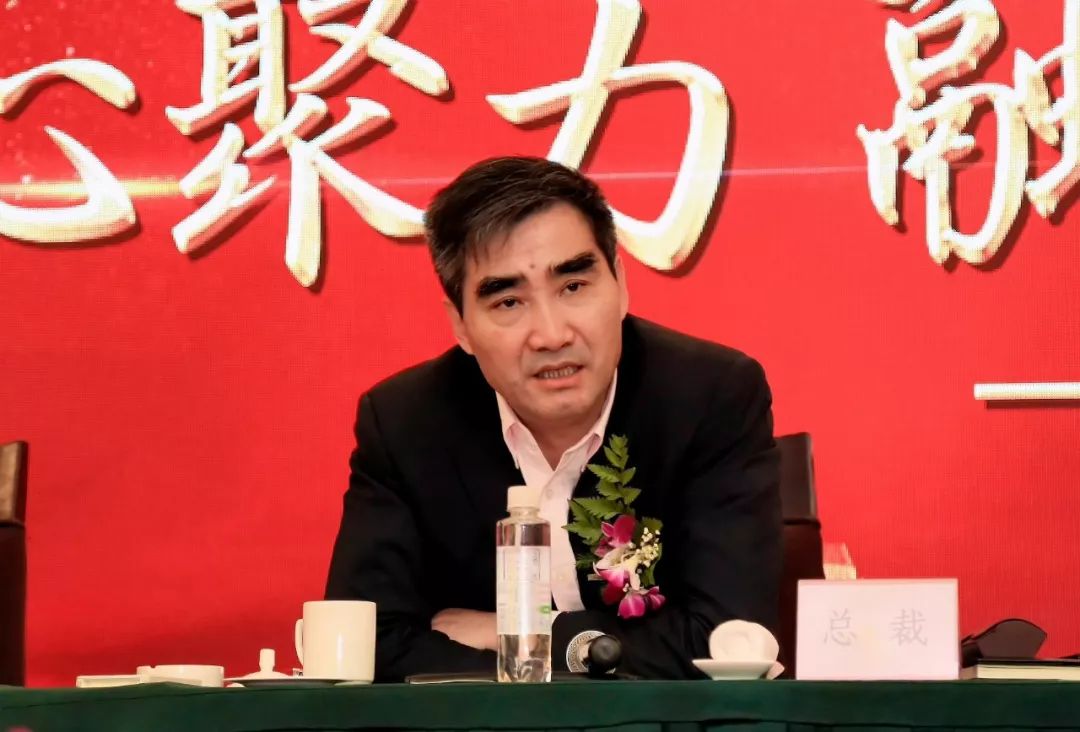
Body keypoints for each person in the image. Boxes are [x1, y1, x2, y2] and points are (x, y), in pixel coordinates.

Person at [325, 156, 781, 681]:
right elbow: (366, 643)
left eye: (574, 287)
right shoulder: (405, 424)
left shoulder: (709, 397)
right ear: (461, 326)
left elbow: (727, 641)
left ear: (621, 284)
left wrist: (522, 634)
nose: (551, 335)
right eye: (508, 302)